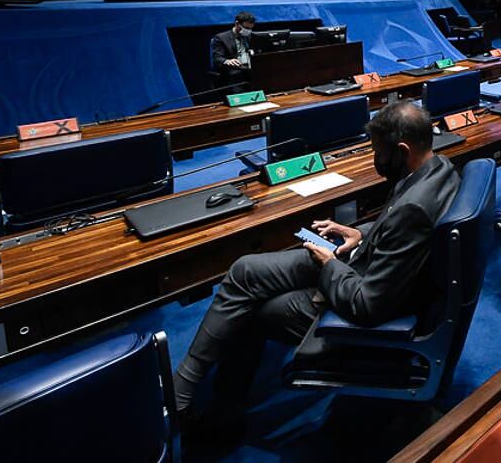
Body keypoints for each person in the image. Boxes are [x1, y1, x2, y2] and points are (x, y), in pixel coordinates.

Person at [173, 101, 461, 432]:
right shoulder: (438, 170)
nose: (375, 161)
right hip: (366, 263)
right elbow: (401, 235)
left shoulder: (415, 207)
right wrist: (359, 232)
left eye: (378, 153)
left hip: (362, 294)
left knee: (254, 307)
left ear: (401, 150)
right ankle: (193, 390)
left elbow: (367, 305)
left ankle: (204, 405)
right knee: (245, 272)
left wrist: (328, 265)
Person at [211, 11, 255, 87]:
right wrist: (227, 61)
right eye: (246, 28)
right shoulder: (221, 38)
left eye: (251, 28)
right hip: (234, 73)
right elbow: (217, 58)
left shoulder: (251, 36)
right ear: (237, 23)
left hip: (251, 72)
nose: (248, 31)